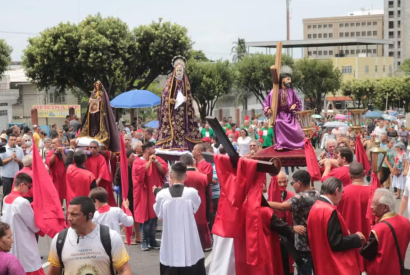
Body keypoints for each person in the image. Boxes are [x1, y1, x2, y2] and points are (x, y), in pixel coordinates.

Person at [47, 196, 131, 274]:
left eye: (74, 214)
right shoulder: (59, 239)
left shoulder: (111, 237)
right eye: (69, 213)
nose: (69, 218)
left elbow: (124, 270)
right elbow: (53, 272)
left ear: (89, 216)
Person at [154, 162, 206, 275]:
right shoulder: (192, 193)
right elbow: (195, 208)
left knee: (169, 258)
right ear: (185, 177)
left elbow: (159, 214)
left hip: (170, 236)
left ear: (171, 176)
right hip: (188, 234)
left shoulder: (162, 195)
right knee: (191, 256)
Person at [308, 177, 364, 275]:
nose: (342, 196)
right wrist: (356, 237)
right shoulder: (330, 211)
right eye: (342, 192)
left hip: (321, 261)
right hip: (335, 264)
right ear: (336, 191)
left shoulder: (315, 206)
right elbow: (336, 242)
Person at [268, 170, 320, 275]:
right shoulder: (317, 193)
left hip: (303, 243)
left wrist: (261, 201)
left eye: (292, 183)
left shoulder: (299, 197)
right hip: (316, 241)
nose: (292, 186)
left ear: (299, 183)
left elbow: (282, 206)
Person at [2, 173, 46, 275]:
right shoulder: (22, 202)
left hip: (11, 238)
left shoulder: (6, 198)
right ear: (22, 185)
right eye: (29, 186)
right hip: (24, 241)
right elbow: (34, 226)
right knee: (30, 267)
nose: (29, 189)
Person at [156, 57, 202, 150]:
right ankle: (172, 143)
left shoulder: (186, 83)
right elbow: (165, 95)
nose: (179, 72)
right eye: (177, 70)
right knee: (174, 126)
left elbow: (189, 95)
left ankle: (185, 143)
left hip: (183, 112)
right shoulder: (169, 83)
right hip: (173, 111)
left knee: (184, 127)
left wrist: (186, 99)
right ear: (175, 70)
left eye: (181, 70)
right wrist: (172, 100)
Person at [361, 189, 410, 275]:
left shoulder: (379, 229)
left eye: (374, 204)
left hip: (380, 271)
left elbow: (366, 253)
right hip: (398, 269)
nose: (371, 207)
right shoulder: (405, 221)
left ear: (385, 207)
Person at [133, 141, 168, 251]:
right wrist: (149, 162)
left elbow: (164, 170)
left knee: (154, 218)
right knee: (146, 219)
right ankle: (144, 241)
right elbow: (139, 174)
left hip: (154, 192)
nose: (154, 149)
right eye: (153, 147)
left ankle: (152, 240)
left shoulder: (157, 158)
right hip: (144, 193)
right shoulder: (137, 161)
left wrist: (156, 161)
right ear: (147, 149)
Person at [336, 162, 371, 273]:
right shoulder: (374, 191)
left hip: (350, 236)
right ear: (365, 173)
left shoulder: (343, 192)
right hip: (370, 235)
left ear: (350, 176)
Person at [263, 66, 304, 150]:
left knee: (298, 130)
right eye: (288, 79)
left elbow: (298, 102)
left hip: (290, 116)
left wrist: (294, 106)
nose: (290, 81)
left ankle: (299, 145)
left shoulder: (292, 91)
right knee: (278, 122)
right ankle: (281, 145)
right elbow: (266, 103)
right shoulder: (274, 91)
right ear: (282, 80)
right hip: (279, 116)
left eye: (290, 79)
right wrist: (268, 109)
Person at [179, 153, 212, 251]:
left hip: (183, 207)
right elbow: (207, 187)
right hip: (200, 206)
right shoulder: (202, 176)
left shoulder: (179, 177)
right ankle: (204, 244)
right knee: (201, 224)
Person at [78, 81, 120, 152]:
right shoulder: (93, 93)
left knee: (99, 124)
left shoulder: (102, 93)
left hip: (100, 114)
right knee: (92, 123)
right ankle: (91, 134)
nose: (97, 87)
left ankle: (99, 134)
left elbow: (104, 103)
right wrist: (90, 101)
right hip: (92, 113)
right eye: (96, 85)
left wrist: (101, 101)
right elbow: (90, 102)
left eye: (98, 85)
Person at [271, 171, 295, 275]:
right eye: (279, 182)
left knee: (289, 266)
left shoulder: (292, 196)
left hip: (289, 235)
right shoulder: (269, 197)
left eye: (284, 182)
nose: (282, 185)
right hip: (274, 237)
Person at [82, 140, 116, 206]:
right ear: (89, 148)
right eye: (91, 147)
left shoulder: (101, 158)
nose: (93, 149)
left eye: (95, 147)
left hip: (98, 182)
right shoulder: (86, 158)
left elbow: (103, 170)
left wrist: (98, 180)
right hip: (88, 181)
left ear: (98, 148)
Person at [0, 134, 24, 206]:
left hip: (16, 176)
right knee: (6, 194)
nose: (13, 142)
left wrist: (18, 161)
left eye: (15, 140)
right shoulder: (3, 149)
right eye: (11, 140)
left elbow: (23, 162)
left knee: (16, 194)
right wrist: (10, 159)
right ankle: (3, 211)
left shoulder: (19, 149)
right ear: (8, 140)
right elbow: (1, 162)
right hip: (6, 175)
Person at [46, 138, 67, 205]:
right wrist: (55, 153)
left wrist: (62, 153)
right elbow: (49, 162)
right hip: (56, 178)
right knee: (57, 196)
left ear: (60, 144)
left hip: (65, 178)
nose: (53, 145)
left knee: (66, 196)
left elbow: (66, 163)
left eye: (54, 143)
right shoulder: (51, 152)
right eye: (52, 143)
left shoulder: (66, 151)